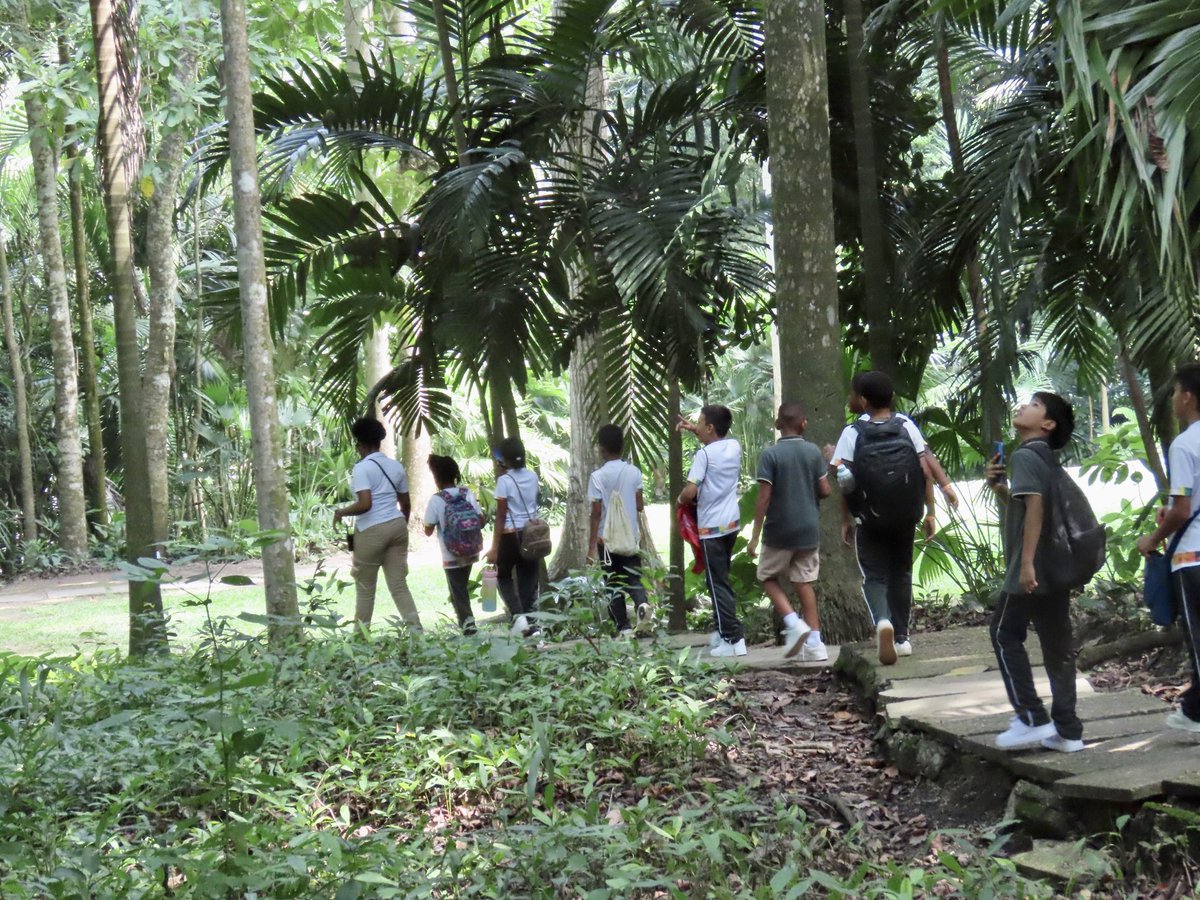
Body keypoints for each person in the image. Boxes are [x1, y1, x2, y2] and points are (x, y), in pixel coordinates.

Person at [986, 392, 1084, 753]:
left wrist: (1026, 564)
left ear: (1047, 424)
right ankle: (1069, 731)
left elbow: (1037, 509)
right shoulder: (1044, 456)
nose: (1022, 407)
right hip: (1053, 564)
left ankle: (1031, 716)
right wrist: (1000, 489)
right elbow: (1027, 506)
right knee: (1057, 646)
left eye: (1033, 405)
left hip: (1031, 566)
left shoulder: (1026, 454)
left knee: (1002, 634)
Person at [830, 371, 936, 665]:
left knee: (874, 575)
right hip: (906, 516)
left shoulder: (853, 433)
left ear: (863, 400)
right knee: (901, 572)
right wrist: (931, 512)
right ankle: (901, 637)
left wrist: (846, 519)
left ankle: (882, 621)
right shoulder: (907, 426)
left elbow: (843, 479)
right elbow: (925, 471)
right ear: (891, 398)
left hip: (869, 518)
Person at [1137, 363, 1200, 734]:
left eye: (1176, 392)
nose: (1174, 400)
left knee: (1198, 641)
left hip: (1193, 557)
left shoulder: (1184, 444)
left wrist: (1152, 539)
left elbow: (1181, 510)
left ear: (1189, 396)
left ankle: (1194, 713)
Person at [747, 402, 831, 660]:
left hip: (779, 530)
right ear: (803, 423)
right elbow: (825, 490)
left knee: (766, 576)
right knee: (803, 582)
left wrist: (755, 535)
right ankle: (816, 643)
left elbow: (763, 497)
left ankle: (795, 624)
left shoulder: (770, 455)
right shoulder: (813, 453)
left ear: (778, 424)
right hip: (808, 529)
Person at [333, 417, 421, 630]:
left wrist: (341, 512)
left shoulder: (362, 468)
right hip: (397, 526)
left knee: (365, 589)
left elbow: (365, 504)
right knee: (399, 586)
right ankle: (416, 633)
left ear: (360, 444)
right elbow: (405, 503)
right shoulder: (395, 466)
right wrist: (400, 524)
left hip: (371, 530)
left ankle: (361, 639)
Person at [677, 405, 745, 657]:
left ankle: (733, 638)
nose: (697, 427)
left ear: (710, 428)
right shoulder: (734, 446)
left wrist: (679, 500)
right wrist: (695, 429)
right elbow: (714, 438)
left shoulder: (703, 456)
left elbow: (691, 491)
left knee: (717, 584)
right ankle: (722, 631)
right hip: (731, 524)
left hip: (712, 527)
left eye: (700, 423)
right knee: (720, 579)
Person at [587, 424, 651, 637]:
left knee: (612, 581)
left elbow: (596, 512)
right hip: (630, 538)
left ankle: (623, 626)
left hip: (605, 542)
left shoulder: (597, 476)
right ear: (622, 447)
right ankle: (642, 604)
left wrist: (590, 547)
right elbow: (640, 504)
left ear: (602, 449)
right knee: (634, 576)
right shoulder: (634, 472)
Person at [485, 436, 541, 638]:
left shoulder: (505, 481)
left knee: (503, 575)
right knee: (528, 580)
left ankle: (518, 617)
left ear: (504, 460)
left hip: (510, 536)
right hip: (531, 535)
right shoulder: (533, 476)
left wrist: (494, 547)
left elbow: (501, 515)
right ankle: (531, 624)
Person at [424, 454, 484, 635]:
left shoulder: (437, 499)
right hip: (471, 550)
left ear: (437, 478)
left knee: (458, 591)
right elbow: (480, 520)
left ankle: (469, 627)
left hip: (451, 554)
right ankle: (466, 622)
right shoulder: (467, 494)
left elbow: (427, 529)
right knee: (461, 588)